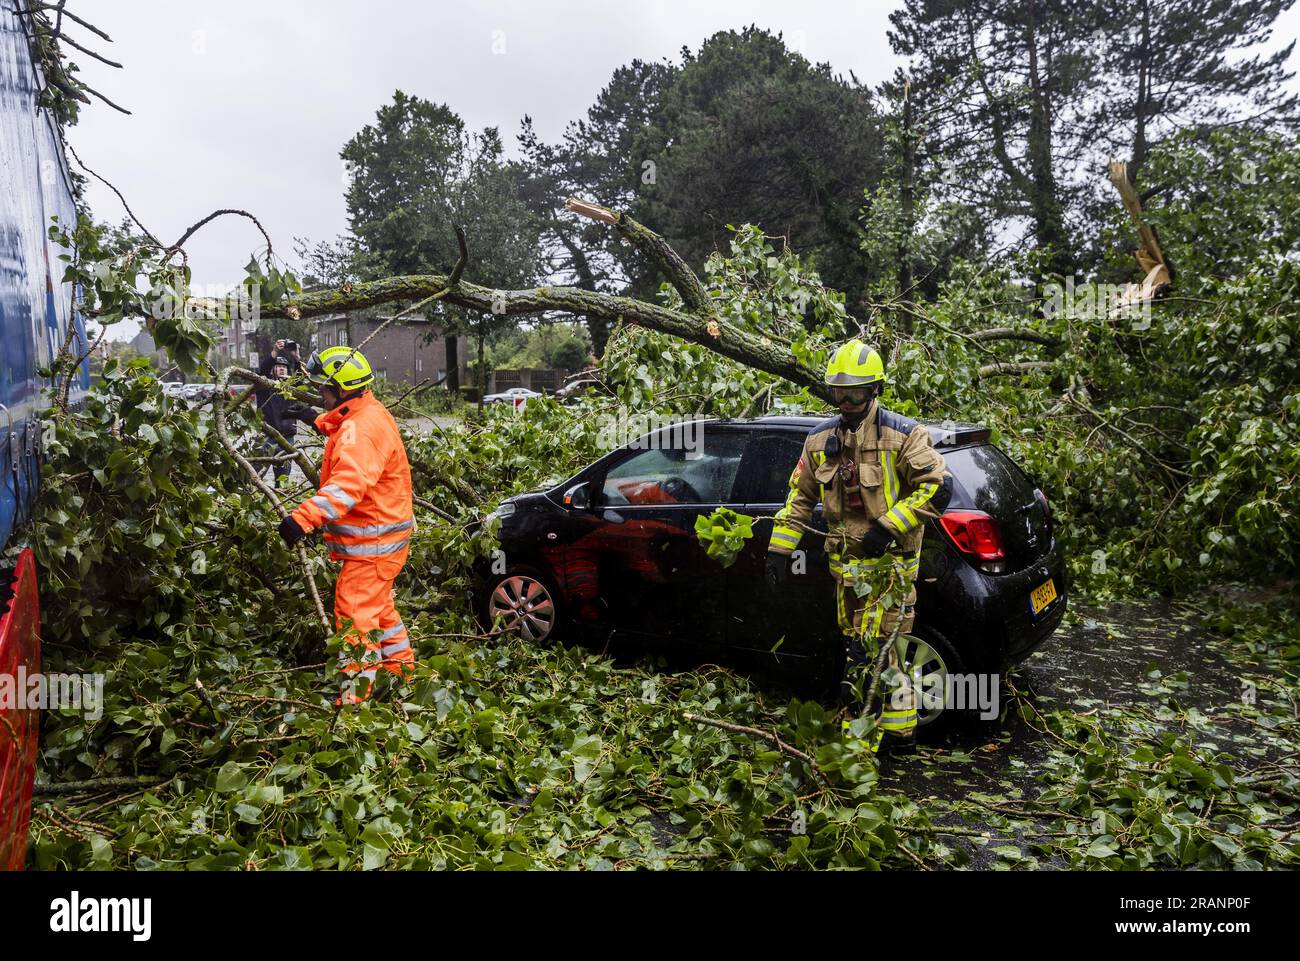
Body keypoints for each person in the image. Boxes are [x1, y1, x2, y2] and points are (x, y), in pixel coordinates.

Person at [764, 339, 952, 753]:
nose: (846, 403)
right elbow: (799, 498)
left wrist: (888, 527)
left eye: (855, 394)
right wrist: (780, 550)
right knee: (884, 654)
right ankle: (901, 734)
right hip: (845, 573)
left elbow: (938, 490)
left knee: (865, 654)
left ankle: (857, 739)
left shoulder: (903, 435)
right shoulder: (818, 440)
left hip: (891, 572)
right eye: (839, 394)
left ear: (875, 391)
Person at [276, 346, 416, 704]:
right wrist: (316, 418)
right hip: (385, 537)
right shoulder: (366, 411)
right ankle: (402, 672)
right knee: (379, 609)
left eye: (324, 388)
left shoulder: (361, 429)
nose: (320, 392)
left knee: (355, 618)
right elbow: (348, 431)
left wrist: (301, 520)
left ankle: (355, 700)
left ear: (340, 390)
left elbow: (348, 485)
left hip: (373, 543)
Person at [257, 354, 317, 482]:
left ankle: (281, 497)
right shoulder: (263, 386)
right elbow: (262, 369)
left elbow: (302, 379)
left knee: (283, 477)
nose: (282, 368)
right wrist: (274, 352)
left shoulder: (291, 388)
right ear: (271, 369)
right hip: (266, 436)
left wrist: (296, 359)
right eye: (278, 366)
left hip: (287, 437)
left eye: (284, 366)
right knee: (256, 473)